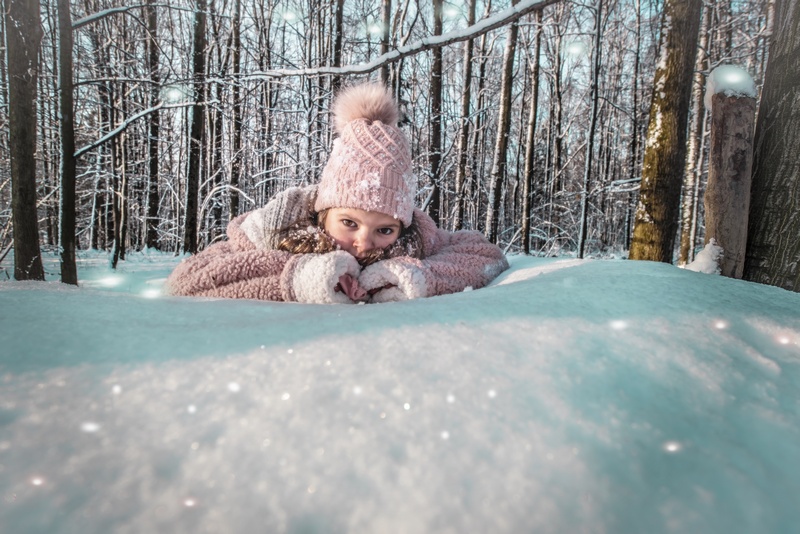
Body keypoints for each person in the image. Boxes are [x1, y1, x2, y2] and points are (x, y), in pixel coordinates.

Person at [165, 83, 509, 304]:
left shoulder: (414, 240)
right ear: (322, 211)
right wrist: (305, 276)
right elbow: (187, 280)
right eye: (349, 222)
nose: (363, 242)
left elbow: (486, 257)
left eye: (384, 230)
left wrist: (408, 275)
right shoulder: (276, 231)